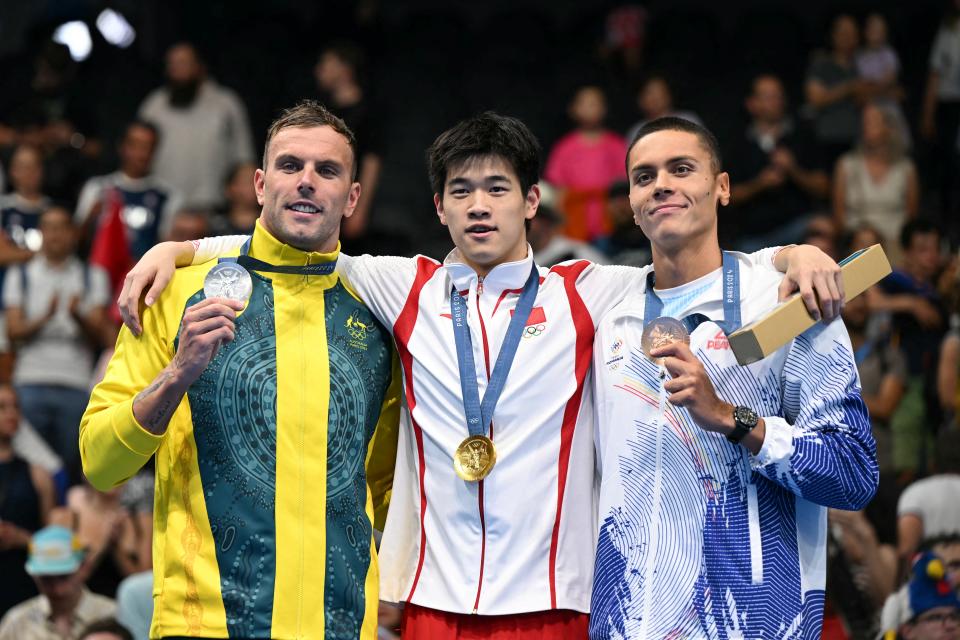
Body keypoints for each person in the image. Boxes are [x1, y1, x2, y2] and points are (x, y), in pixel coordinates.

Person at [117, 111, 844, 638]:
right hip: (434, 603)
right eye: (460, 192)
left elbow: (689, 265)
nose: (479, 206)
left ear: (532, 202)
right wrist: (179, 249)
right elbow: (295, 236)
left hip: (557, 602)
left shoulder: (587, 291)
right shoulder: (404, 286)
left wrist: (793, 255)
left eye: (497, 189)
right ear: (438, 207)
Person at [80, 101, 401, 639]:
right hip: (202, 624)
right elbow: (99, 463)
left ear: (352, 197)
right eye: (289, 165)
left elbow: (389, 488)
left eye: (327, 171)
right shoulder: (173, 289)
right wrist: (177, 374)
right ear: (259, 183)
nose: (306, 182)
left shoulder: (379, 314)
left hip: (342, 626)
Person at [589, 117, 877, 637]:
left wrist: (729, 417)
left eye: (682, 169)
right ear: (632, 204)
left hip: (752, 624)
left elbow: (853, 472)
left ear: (722, 188)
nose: (662, 186)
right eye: (644, 176)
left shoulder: (787, 301)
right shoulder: (610, 314)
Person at [3, 206, 110, 482]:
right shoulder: (21, 274)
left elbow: (101, 335)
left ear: (74, 234)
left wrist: (77, 316)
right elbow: (13, 331)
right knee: (26, 464)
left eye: (62, 227)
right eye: (49, 228)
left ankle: (68, 518)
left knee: (74, 463)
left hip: (76, 382)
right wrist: (44, 318)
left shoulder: (93, 275)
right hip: (29, 380)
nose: (55, 235)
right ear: (40, 233)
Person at [138, 43, 255, 210]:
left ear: (200, 66)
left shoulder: (226, 105)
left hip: (214, 206)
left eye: (184, 63)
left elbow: (244, 159)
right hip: (162, 207)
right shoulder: (154, 106)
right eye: (173, 64)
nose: (178, 70)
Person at [727, 74, 830, 252]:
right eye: (768, 97)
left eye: (779, 96)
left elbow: (823, 187)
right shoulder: (738, 143)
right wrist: (760, 183)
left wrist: (793, 170)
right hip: (753, 235)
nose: (776, 102)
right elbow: (728, 196)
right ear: (752, 103)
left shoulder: (801, 134)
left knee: (823, 227)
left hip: (798, 226)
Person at [74, 121, 182, 261]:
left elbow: (168, 245)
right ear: (122, 147)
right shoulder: (97, 188)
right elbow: (75, 240)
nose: (141, 153)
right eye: (134, 145)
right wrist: (91, 218)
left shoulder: (168, 196)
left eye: (147, 147)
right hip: (101, 275)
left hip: (146, 275)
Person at [315, 41, 384, 247]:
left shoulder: (368, 111)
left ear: (344, 69)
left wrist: (360, 210)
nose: (319, 70)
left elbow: (372, 161)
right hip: (324, 195)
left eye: (326, 64)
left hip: (351, 197)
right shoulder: (322, 110)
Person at [833, 102, 919, 258]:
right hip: (857, 240)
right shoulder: (846, 164)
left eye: (873, 122)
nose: (866, 127)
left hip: (894, 241)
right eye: (864, 122)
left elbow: (911, 217)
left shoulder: (906, 168)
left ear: (890, 127)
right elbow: (839, 217)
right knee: (865, 243)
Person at [0, 525, 116, 640]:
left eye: (63, 576)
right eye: (46, 578)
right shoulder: (17, 623)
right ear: (33, 575)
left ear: (84, 568)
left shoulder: (112, 615)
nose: (57, 589)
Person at [545, 85, 627, 244]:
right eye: (585, 104)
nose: (590, 109)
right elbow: (558, 190)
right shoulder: (564, 147)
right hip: (574, 223)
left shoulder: (616, 145)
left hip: (610, 223)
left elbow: (624, 186)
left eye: (595, 104)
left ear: (604, 109)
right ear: (574, 109)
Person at [0, 384, 55, 616]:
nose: (11, 413)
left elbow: (54, 545)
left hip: (23, 580)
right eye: (2, 407)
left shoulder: (38, 474)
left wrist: (22, 538)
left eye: (15, 407)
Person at [922, 0, 960, 244]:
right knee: (948, 170)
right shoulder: (948, 29)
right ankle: (948, 234)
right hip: (949, 107)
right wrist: (928, 114)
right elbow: (935, 73)